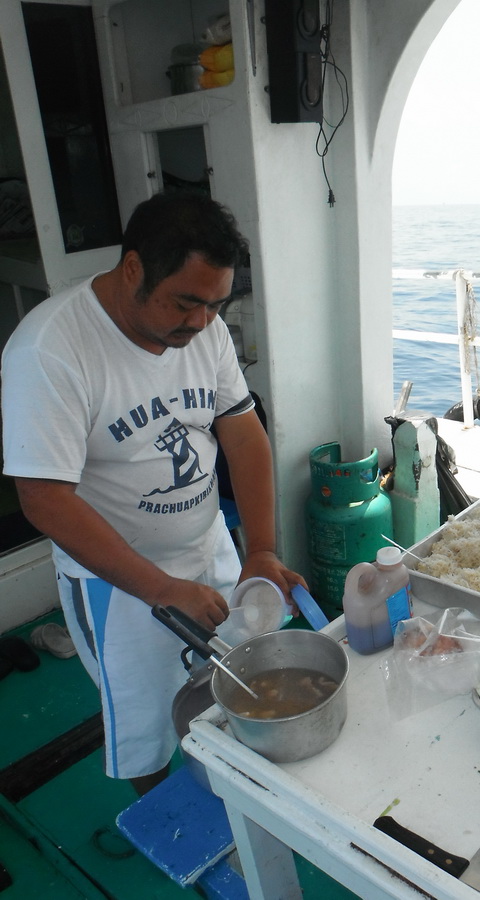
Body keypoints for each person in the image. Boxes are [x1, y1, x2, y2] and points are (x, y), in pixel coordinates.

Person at [1, 192, 305, 795]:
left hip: (208, 544)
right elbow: (43, 498)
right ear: (134, 268)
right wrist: (163, 591)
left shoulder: (205, 329)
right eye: (187, 302)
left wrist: (262, 549)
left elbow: (242, 433)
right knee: (147, 727)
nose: (199, 324)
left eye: (215, 306)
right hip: (119, 585)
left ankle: (239, 794)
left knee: (239, 678)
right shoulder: (51, 351)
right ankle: (168, 820)